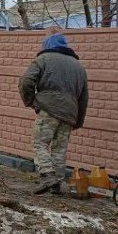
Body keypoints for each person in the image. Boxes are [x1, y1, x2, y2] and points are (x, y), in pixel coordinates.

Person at [18, 32, 89, 195]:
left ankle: (47, 175)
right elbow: (84, 97)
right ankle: (56, 183)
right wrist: (79, 120)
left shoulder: (43, 59)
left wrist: (31, 101)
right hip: (70, 112)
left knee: (39, 143)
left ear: (47, 46)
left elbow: (26, 81)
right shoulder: (79, 67)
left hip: (49, 108)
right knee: (60, 148)